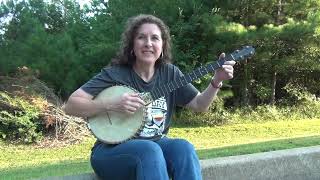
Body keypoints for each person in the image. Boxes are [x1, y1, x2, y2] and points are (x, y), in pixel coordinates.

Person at [63, 14, 235, 180]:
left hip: (156, 146)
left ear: (162, 46)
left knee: (184, 148)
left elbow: (199, 105)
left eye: (155, 38)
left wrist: (216, 81)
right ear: (132, 45)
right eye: (141, 37)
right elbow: (71, 105)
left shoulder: (170, 74)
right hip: (111, 151)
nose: (148, 43)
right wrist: (112, 104)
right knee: (149, 150)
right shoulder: (115, 74)